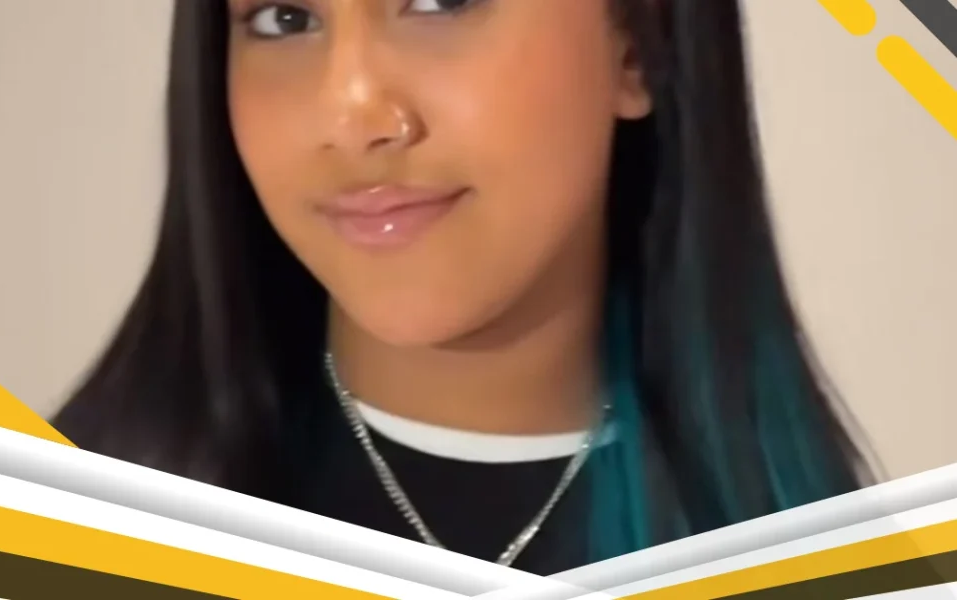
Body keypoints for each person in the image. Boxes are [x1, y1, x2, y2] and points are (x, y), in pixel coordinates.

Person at [54, 0, 873, 575]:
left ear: (636, 41)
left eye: (440, 2)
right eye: (284, 19)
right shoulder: (69, 532)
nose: (353, 116)